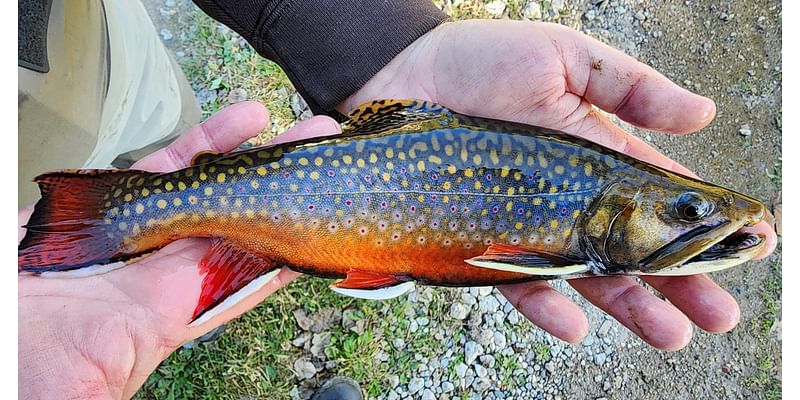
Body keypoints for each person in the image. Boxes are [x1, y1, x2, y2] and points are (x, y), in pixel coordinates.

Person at [18, 1, 778, 399]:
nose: (704, 225)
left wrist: (376, 41)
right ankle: (129, 220)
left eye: (687, 214)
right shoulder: (571, 230)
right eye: (684, 210)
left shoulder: (584, 202)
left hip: (73, 53)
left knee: (148, 127)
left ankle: (131, 214)